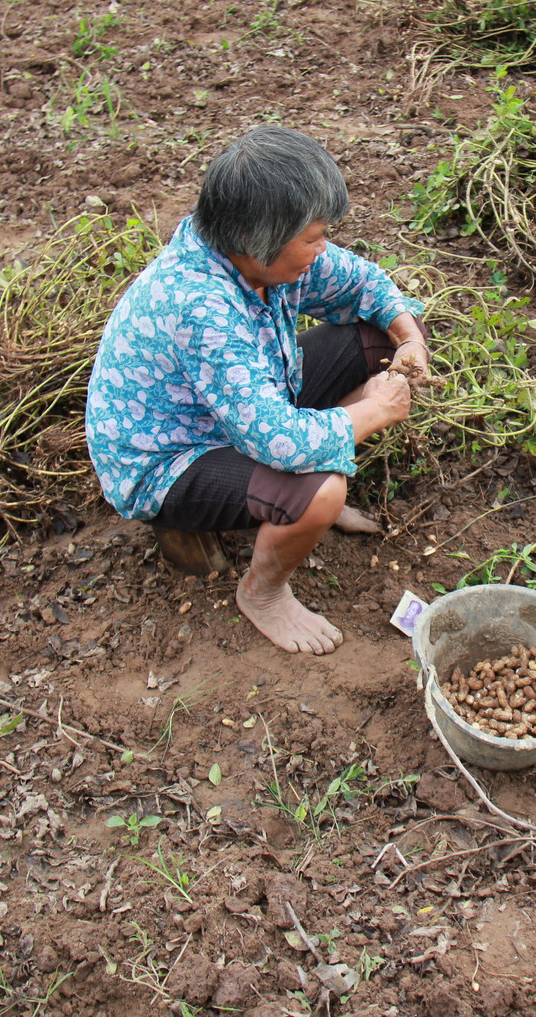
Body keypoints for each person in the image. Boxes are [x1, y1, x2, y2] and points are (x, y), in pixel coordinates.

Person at [85, 126, 429, 656]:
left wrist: (407, 337)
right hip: (171, 457)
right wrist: (376, 410)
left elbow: (363, 284)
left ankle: (319, 472)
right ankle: (263, 593)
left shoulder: (263, 257)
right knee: (318, 490)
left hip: (248, 404)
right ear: (257, 241)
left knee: (378, 340)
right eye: (313, 238)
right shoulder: (199, 305)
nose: (322, 249)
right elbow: (281, 442)